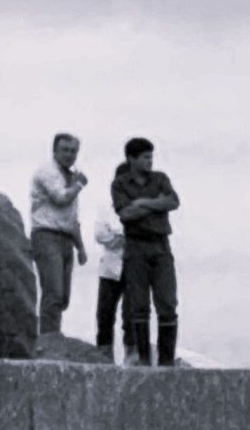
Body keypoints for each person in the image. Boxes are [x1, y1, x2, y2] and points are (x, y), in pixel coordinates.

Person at [111, 136, 181, 366]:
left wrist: (142, 203)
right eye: (145, 157)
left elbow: (172, 201)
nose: (150, 161)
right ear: (132, 159)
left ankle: (167, 361)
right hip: (136, 246)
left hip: (160, 244)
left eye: (151, 157)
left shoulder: (160, 178)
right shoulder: (120, 184)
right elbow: (125, 214)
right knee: (139, 305)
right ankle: (143, 359)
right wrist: (154, 203)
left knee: (167, 302)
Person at [29, 133, 86, 341]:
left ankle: (52, 334)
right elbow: (61, 198)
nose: (70, 155)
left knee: (63, 296)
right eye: (65, 150)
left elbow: (71, 215)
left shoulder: (69, 176)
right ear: (55, 151)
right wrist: (79, 185)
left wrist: (81, 247)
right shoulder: (47, 172)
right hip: (46, 235)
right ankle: (48, 338)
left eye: (73, 151)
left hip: (66, 238)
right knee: (53, 291)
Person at [90, 209, 126, 356]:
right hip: (109, 270)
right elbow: (100, 235)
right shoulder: (106, 211)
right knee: (104, 313)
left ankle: (131, 355)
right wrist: (123, 236)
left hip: (133, 266)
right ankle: (104, 355)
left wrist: (116, 235)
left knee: (131, 314)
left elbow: (141, 232)